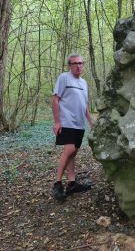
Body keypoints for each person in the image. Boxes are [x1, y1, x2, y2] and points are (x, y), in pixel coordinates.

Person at [52, 53, 93, 201]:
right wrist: (57, 122)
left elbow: (85, 105)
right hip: (66, 121)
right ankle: (57, 184)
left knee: (73, 152)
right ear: (69, 65)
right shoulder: (64, 78)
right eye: (74, 63)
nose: (78, 66)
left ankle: (71, 183)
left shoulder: (84, 83)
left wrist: (91, 121)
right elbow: (55, 99)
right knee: (68, 150)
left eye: (81, 63)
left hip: (79, 123)